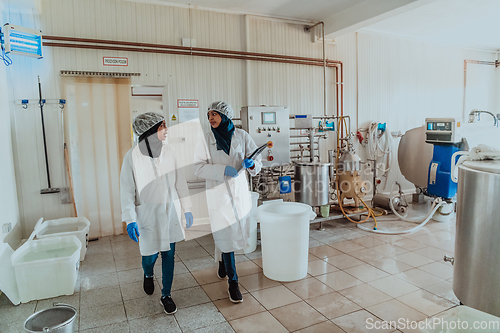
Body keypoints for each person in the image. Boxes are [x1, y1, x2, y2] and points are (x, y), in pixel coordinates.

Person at [120, 112, 193, 314]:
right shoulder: (131, 157)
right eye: (162, 126)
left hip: (170, 212)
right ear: (150, 130)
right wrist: (129, 219)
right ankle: (148, 274)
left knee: (169, 255)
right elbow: (126, 190)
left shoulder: (170, 152)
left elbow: (180, 182)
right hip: (147, 215)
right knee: (149, 257)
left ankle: (166, 295)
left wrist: (187, 208)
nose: (166, 129)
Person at [194, 101, 262, 303]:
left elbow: (257, 160)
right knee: (225, 233)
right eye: (208, 116)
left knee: (234, 233)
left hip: (239, 192)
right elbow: (197, 168)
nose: (211, 118)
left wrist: (252, 165)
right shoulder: (206, 140)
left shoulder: (241, 136)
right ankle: (233, 281)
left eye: (214, 114)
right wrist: (222, 170)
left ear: (225, 116)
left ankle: (223, 264)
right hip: (218, 194)